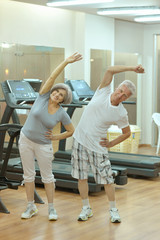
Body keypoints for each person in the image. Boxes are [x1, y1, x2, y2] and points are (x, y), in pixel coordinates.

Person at [71, 64, 144, 223]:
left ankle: (113, 210)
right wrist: (132, 68)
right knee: (81, 178)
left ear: (127, 98)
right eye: (120, 91)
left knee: (108, 180)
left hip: (98, 147)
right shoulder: (103, 90)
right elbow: (110, 69)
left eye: (124, 95)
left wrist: (111, 143)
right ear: (116, 88)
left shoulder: (121, 113)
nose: (120, 95)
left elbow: (127, 133)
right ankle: (86, 208)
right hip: (79, 141)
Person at [19, 52, 82, 221]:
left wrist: (56, 138)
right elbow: (53, 76)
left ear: (63, 99)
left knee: (47, 177)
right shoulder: (43, 96)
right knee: (28, 175)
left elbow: (71, 131)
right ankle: (30, 206)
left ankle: (52, 209)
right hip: (25, 140)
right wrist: (66, 62)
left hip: (43, 145)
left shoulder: (62, 113)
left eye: (61, 94)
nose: (57, 94)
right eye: (56, 92)